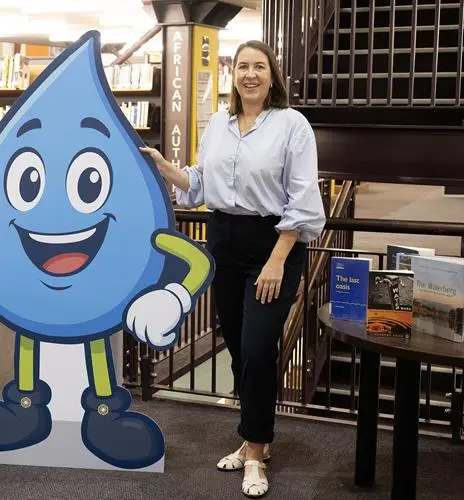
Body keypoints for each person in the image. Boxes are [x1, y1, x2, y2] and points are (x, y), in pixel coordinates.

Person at [142, 40, 326, 498]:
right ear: (234, 75)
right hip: (224, 241)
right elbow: (201, 182)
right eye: (243, 66)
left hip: (273, 245)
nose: (250, 74)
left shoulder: (292, 125)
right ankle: (252, 437)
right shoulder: (219, 124)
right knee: (239, 350)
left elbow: (303, 199)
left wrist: (277, 260)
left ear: (272, 75)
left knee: (260, 348)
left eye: (259, 67)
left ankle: (256, 454)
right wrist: (165, 167)